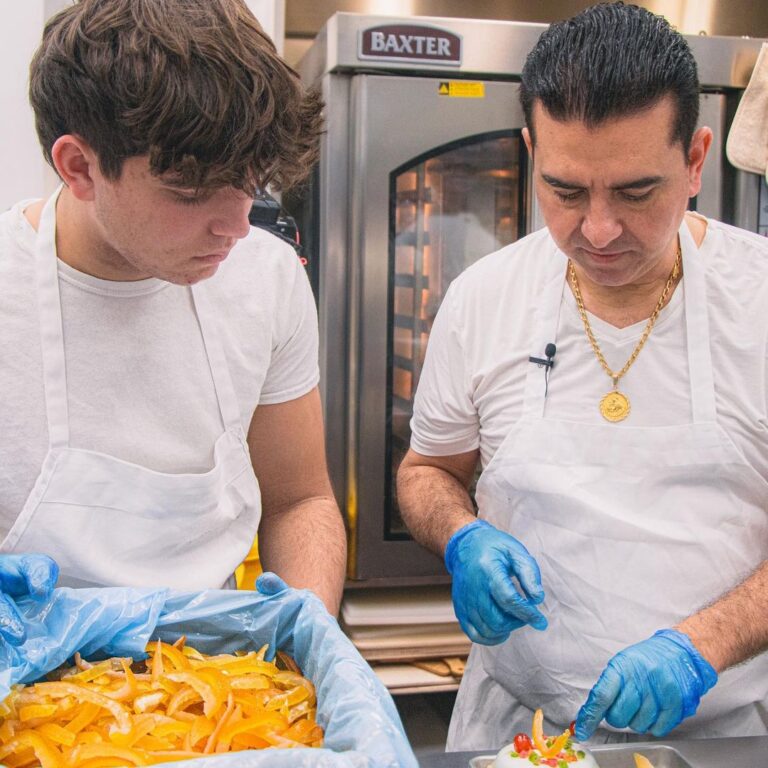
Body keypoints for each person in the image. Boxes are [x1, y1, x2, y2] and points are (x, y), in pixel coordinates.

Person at [397, 1, 768, 751]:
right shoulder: (482, 297)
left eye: (636, 192)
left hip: (723, 738)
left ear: (695, 161)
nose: (597, 230)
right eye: (566, 191)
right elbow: (428, 469)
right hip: (516, 734)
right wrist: (462, 536)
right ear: (532, 150)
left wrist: (701, 643)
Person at [0, 0, 347, 640]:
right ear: (79, 167)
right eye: (190, 194)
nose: (238, 226)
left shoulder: (267, 278)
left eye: (250, 184)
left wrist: (309, 639)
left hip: (214, 688)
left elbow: (300, 501)